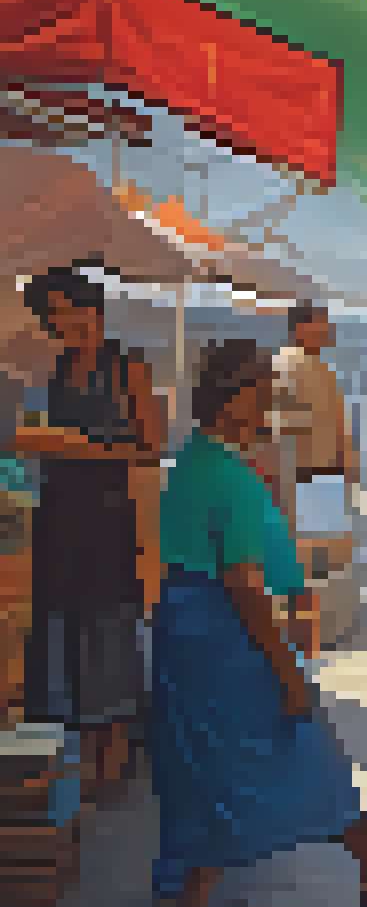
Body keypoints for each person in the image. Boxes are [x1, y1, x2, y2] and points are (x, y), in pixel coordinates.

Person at [150, 339, 367, 907]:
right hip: (225, 634)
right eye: (262, 398)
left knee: (206, 761)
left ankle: (193, 901)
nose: (269, 413)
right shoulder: (229, 479)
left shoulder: (192, 464)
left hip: (188, 632)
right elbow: (244, 582)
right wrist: (285, 666)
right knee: (296, 743)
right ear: (231, 403)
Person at [11, 264, 164, 802]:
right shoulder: (54, 372)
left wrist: (83, 446)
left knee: (108, 627)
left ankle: (113, 758)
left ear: (95, 312)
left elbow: (150, 446)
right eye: (55, 317)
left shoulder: (129, 368)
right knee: (62, 625)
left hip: (108, 515)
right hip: (58, 513)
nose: (66, 324)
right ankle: (71, 756)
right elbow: (27, 438)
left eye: (73, 312)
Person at [271, 303, 359, 657]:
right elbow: (277, 422)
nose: (327, 331)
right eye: (320, 325)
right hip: (304, 471)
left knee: (324, 553)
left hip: (323, 470)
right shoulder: (286, 365)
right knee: (308, 553)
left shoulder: (318, 366)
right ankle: (308, 632)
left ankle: (323, 628)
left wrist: (346, 462)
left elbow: (337, 422)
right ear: (301, 327)